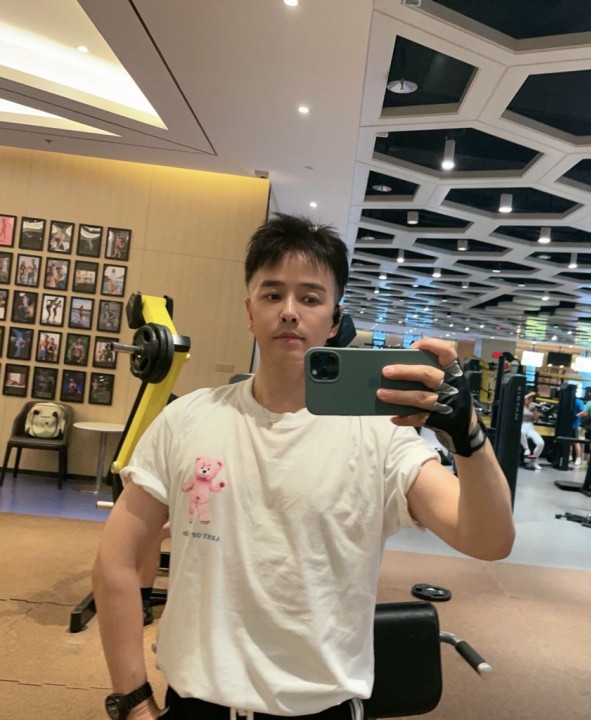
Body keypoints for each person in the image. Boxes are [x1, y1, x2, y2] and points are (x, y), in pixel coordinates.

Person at [92, 213, 515, 720]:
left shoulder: (381, 436)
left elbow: (489, 541)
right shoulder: (187, 419)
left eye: (310, 298)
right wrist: (132, 702)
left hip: (321, 709)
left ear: (334, 320)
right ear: (250, 312)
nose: (289, 312)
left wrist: (469, 437)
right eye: (272, 295)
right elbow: (116, 560)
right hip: (197, 705)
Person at [520, 391, 544, 470]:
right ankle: (526, 448)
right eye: (529, 399)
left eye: (531, 399)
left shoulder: (533, 407)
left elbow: (536, 420)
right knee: (522, 432)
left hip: (530, 427)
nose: (530, 400)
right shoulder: (520, 405)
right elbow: (521, 399)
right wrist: (529, 394)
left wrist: (534, 412)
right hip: (522, 425)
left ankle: (533, 461)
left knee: (541, 443)